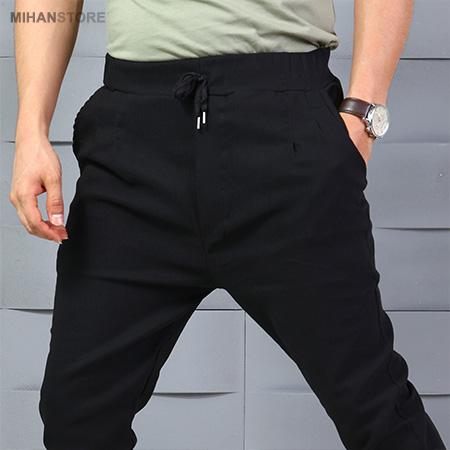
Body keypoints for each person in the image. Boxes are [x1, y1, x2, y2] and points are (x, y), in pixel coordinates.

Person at [10, 0, 447, 449]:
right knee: (76, 418)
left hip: (284, 131)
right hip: (131, 141)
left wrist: (363, 114)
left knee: (374, 408)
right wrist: (30, 131)